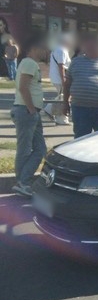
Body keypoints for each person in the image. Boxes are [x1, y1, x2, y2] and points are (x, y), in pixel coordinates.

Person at [10, 38, 47, 197]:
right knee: (25, 149)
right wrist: (32, 110)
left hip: (31, 112)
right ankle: (22, 182)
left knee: (40, 149)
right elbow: (23, 87)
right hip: (27, 111)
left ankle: (24, 180)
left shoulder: (29, 64)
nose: (46, 51)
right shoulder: (29, 63)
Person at [48, 34, 72, 125]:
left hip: (57, 77)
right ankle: (61, 118)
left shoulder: (58, 49)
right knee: (64, 98)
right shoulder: (61, 50)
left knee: (61, 97)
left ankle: (49, 109)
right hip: (59, 78)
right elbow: (61, 66)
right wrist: (63, 79)